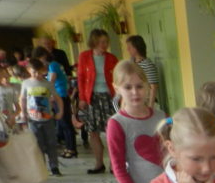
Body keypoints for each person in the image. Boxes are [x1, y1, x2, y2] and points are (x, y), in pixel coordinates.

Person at [76, 28, 118, 174]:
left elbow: (118, 78)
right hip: (92, 97)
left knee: (111, 131)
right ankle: (99, 163)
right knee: (93, 132)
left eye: (106, 42)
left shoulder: (112, 58)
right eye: (101, 42)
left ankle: (114, 165)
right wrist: (82, 97)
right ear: (94, 42)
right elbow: (81, 78)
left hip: (109, 97)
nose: (104, 45)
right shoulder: (84, 56)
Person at [20, 58, 63, 176]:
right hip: (33, 119)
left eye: (39, 72)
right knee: (38, 144)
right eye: (34, 72)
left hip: (48, 118)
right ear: (29, 70)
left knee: (51, 143)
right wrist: (23, 113)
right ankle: (41, 167)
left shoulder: (47, 83)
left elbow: (58, 98)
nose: (37, 75)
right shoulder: (26, 83)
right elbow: (22, 99)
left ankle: (54, 166)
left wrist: (60, 111)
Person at [34, 46, 75, 158]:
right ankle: (69, 147)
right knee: (62, 123)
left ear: (43, 56)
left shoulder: (53, 65)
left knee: (66, 123)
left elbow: (51, 82)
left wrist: (46, 94)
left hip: (60, 95)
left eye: (40, 58)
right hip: (58, 94)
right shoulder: (53, 64)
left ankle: (71, 149)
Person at [124, 35, 159, 110]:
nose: (127, 49)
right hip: (135, 102)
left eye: (129, 47)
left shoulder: (147, 64)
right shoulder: (131, 62)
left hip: (146, 103)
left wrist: (150, 107)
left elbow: (153, 87)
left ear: (136, 48)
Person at [0, 61, 20, 131]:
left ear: (2, 73)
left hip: (11, 124)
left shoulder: (10, 89)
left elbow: (18, 108)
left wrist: (12, 116)